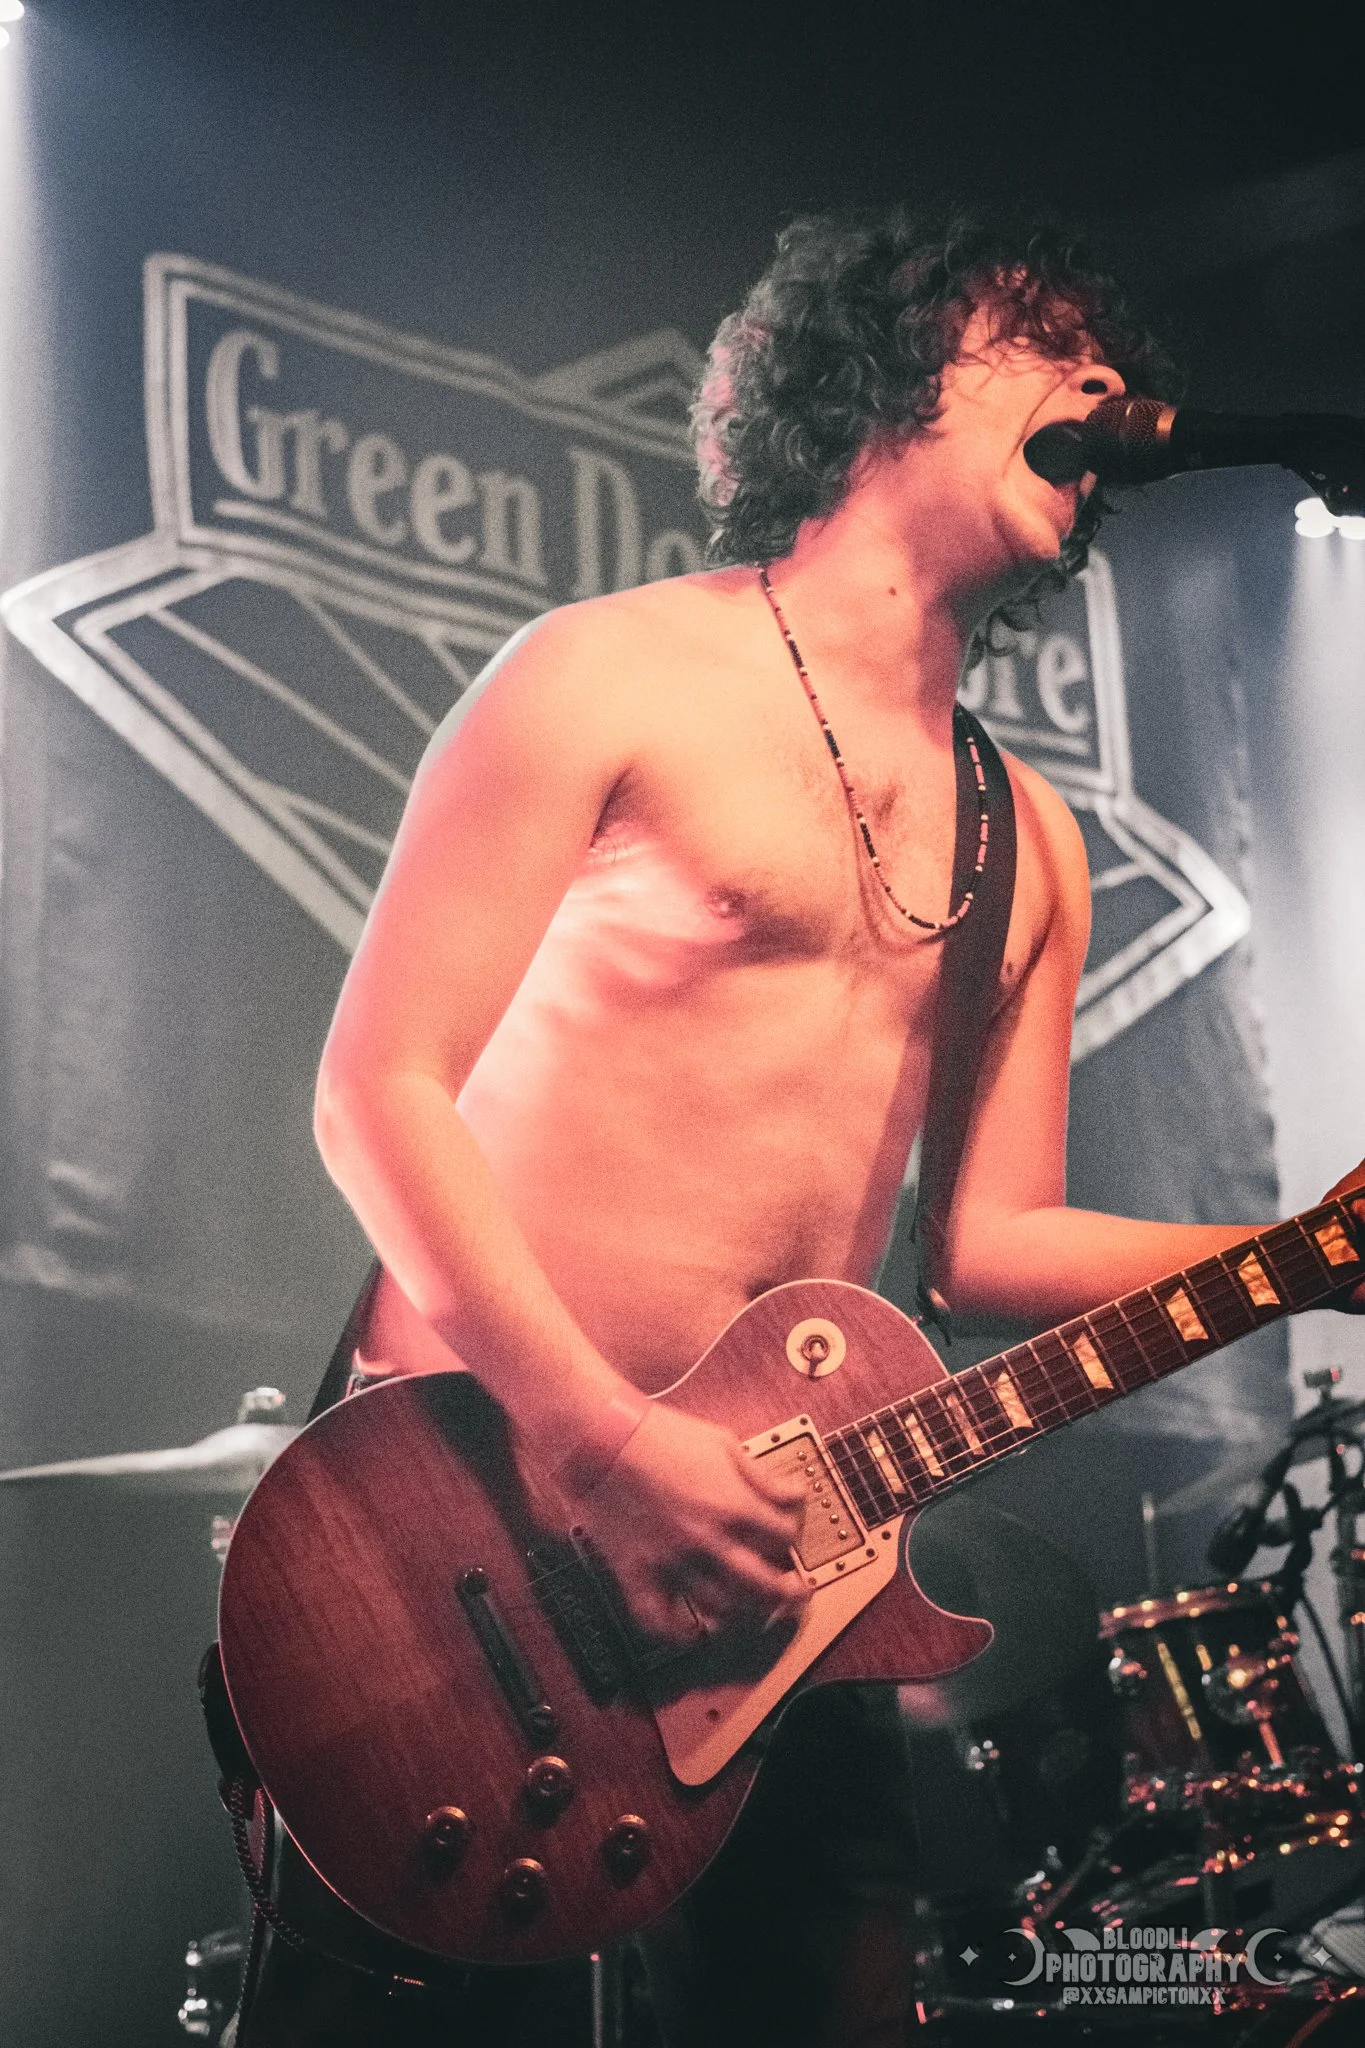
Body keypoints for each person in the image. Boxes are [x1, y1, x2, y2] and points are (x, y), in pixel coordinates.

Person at [230, 211, 1363, 2047]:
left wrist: (1312, 1250)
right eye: (1038, 339)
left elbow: (993, 1242)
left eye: (1111, 356)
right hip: (471, 1523)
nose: (1101, 385)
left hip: (780, 1567)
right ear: (876, 382)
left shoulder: (1032, 842)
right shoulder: (606, 672)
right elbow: (376, 1091)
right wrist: (604, 1448)